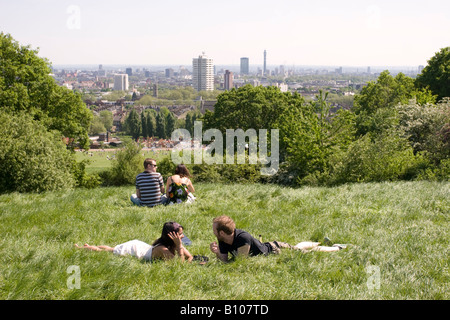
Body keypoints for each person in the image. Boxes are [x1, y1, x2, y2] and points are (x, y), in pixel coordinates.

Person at [209, 215, 344, 263]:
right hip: (271, 247)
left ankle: (337, 248)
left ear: (221, 232)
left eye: (214, 229)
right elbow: (225, 261)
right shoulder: (222, 240)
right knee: (298, 247)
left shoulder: (242, 237)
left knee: (306, 253)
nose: (212, 231)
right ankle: (319, 241)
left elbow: (239, 262)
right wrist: (217, 254)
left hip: (275, 250)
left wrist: (220, 256)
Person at [75, 222, 193, 262]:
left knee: (111, 248)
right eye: (180, 234)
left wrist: (179, 247)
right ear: (171, 236)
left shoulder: (174, 244)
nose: (183, 236)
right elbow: (178, 266)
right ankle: (82, 248)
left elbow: (190, 257)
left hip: (142, 247)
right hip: (135, 250)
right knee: (109, 251)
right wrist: (179, 247)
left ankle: (89, 246)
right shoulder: (163, 249)